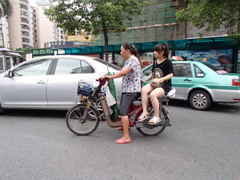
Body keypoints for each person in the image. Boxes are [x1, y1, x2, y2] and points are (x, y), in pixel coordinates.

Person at [103, 43, 142, 144]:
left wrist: (110, 78)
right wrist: (109, 74)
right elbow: (121, 71)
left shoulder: (133, 60)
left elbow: (124, 73)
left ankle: (126, 137)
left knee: (123, 112)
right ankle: (126, 126)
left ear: (127, 51)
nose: (120, 53)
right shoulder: (128, 61)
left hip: (131, 90)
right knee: (124, 109)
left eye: (121, 50)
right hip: (127, 89)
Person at [139, 43, 174, 124]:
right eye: (154, 51)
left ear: (162, 52)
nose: (154, 52)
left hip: (164, 85)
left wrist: (160, 80)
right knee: (143, 90)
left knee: (153, 95)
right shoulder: (155, 62)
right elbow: (152, 73)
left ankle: (157, 116)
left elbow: (171, 74)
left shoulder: (167, 62)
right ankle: (145, 112)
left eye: (156, 51)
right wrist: (145, 80)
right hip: (155, 84)